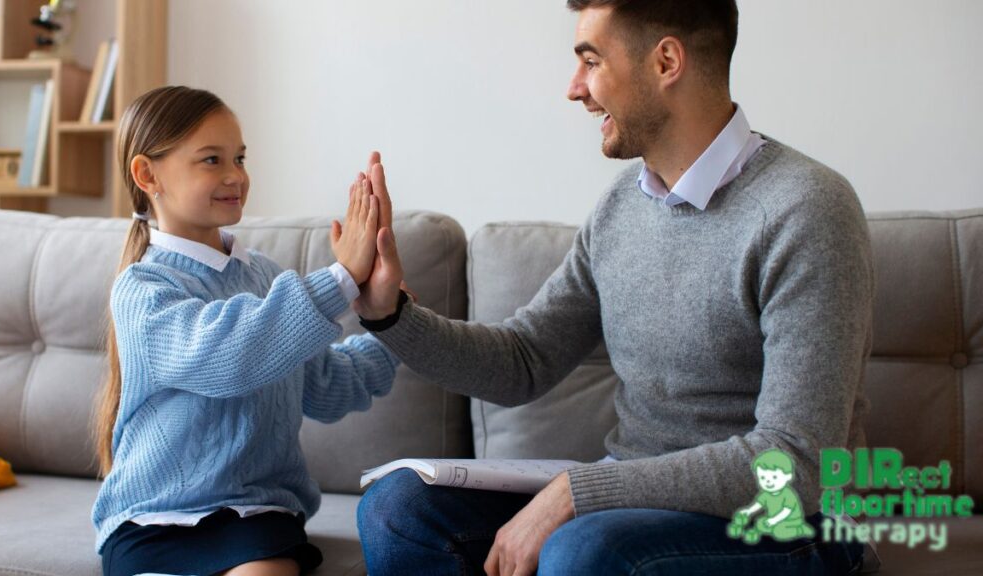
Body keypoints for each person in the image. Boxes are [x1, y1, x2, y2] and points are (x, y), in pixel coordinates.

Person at [354, 1, 873, 574]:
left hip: (788, 525)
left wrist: (582, 490)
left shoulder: (807, 209)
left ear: (666, 61)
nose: (575, 89)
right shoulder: (622, 207)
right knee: (398, 509)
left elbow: (798, 463)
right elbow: (524, 359)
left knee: (585, 551)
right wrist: (389, 315)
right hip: (633, 511)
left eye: (591, 61)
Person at [91, 86, 398, 576]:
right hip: (152, 519)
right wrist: (339, 279)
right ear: (147, 175)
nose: (236, 175)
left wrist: (391, 325)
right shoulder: (142, 288)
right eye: (212, 160)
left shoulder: (266, 278)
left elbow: (325, 387)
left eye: (239, 157)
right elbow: (229, 354)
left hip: (255, 515)